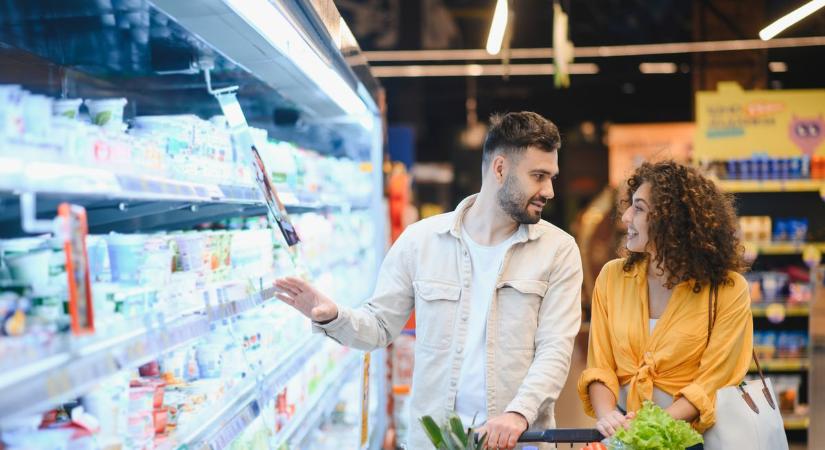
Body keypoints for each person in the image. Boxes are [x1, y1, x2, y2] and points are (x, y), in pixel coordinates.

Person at [275, 111, 583, 450]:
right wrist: (333, 316)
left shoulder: (558, 251)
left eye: (551, 177)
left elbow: (555, 349)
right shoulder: (421, 241)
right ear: (499, 169)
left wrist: (518, 414)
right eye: (538, 176)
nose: (549, 190)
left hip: (520, 439)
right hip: (437, 440)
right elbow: (379, 327)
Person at [577, 160, 753, 449]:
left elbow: (713, 381)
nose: (626, 218)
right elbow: (601, 365)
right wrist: (610, 418)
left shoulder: (727, 289)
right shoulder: (612, 278)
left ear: (673, 220)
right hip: (625, 436)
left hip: (695, 438)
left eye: (640, 208)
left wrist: (649, 428)